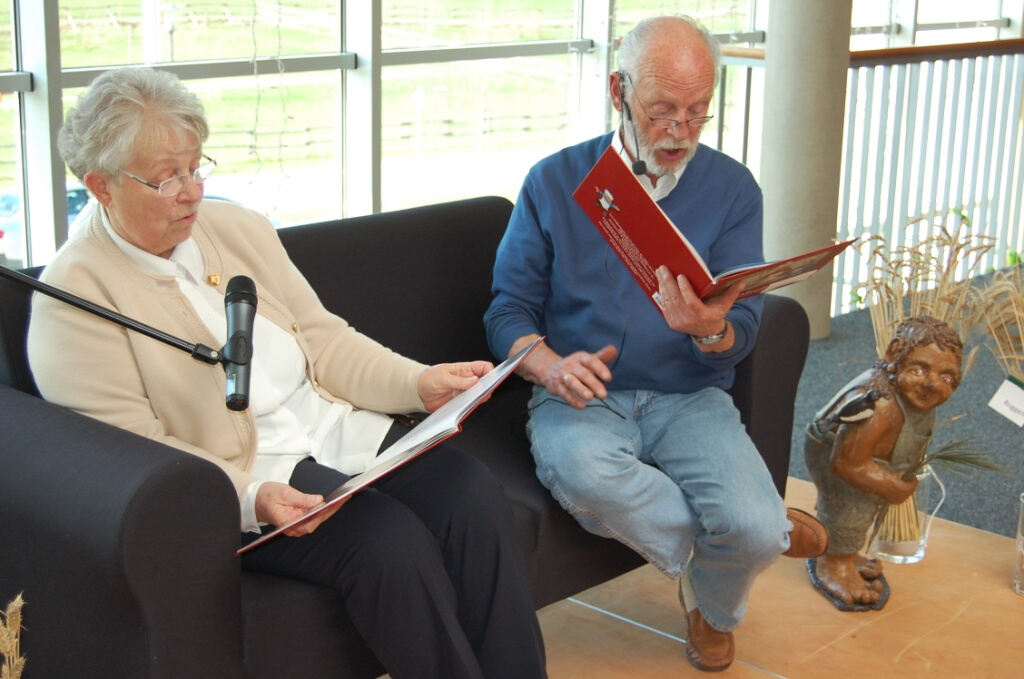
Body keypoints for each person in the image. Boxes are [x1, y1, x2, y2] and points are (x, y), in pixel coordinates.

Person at [26, 67, 546, 679]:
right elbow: (131, 452)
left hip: (332, 432)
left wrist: (416, 382)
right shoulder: (73, 297)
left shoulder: (235, 229)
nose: (192, 193)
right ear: (101, 186)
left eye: (196, 167)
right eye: (167, 179)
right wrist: (249, 496)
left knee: (470, 492)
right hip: (245, 482)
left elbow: (323, 342)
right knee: (387, 544)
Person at [484, 15, 827, 673]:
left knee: (747, 524)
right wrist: (552, 367)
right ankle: (752, 533)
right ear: (619, 90)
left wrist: (712, 329)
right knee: (588, 474)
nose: (681, 131)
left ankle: (719, 597)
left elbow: (743, 327)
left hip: (689, 394)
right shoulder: (555, 182)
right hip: (584, 398)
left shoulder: (731, 189)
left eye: (698, 112)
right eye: (663, 109)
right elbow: (507, 311)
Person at [805, 315, 963, 609]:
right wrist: (891, 485)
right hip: (836, 457)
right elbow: (846, 463)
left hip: (867, 459)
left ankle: (846, 553)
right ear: (894, 354)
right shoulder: (880, 406)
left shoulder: (912, 397)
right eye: (918, 368)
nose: (932, 383)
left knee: (862, 507)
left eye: (947, 377)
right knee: (849, 505)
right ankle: (833, 563)